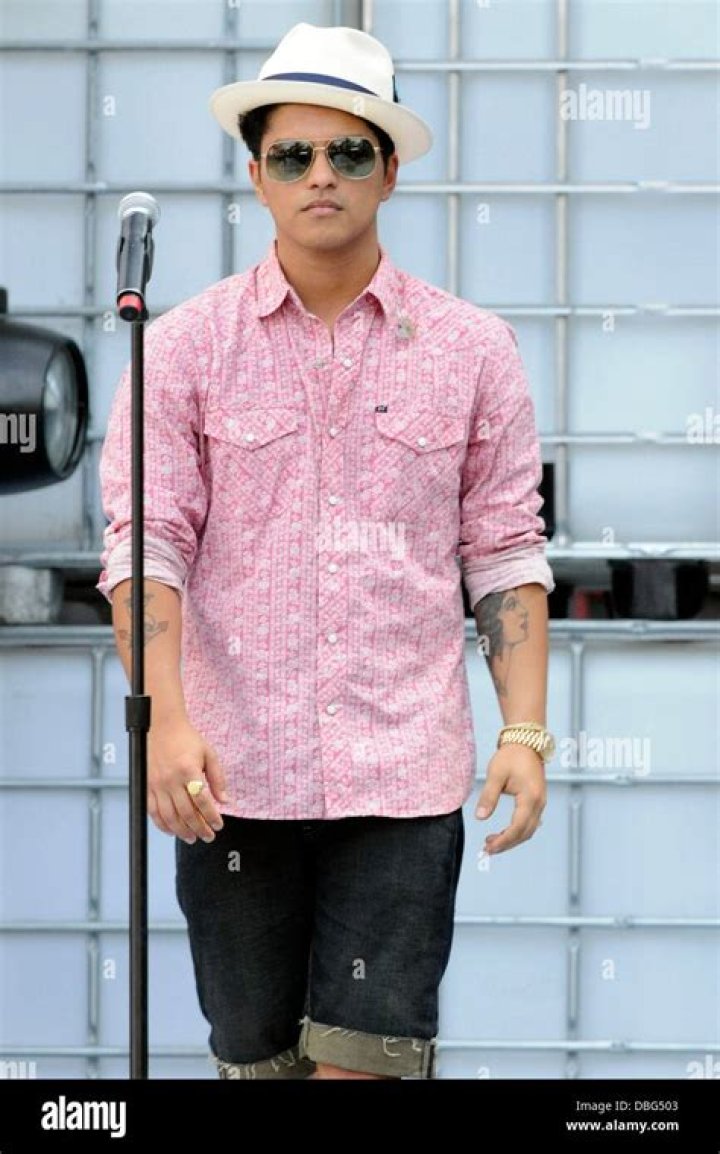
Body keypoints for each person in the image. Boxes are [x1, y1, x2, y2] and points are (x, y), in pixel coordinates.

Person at [97, 22, 556, 1081]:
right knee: (257, 1068)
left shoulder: (473, 349)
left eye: (349, 151)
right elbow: (147, 548)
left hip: (401, 782)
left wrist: (525, 730)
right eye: (293, 154)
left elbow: (504, 549)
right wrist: (164, 724)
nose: (321, 175)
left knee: (367, 1068)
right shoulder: (182, 349)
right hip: (229, 780)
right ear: (256, 175)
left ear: (389, 171)